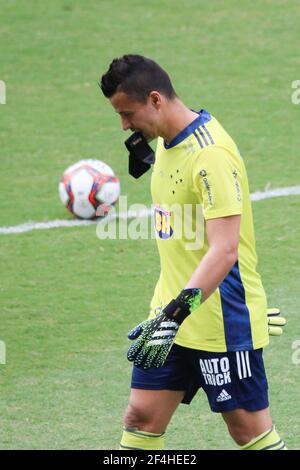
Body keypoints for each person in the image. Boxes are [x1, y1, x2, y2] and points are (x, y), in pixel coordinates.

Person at [100, 54, 287, 450]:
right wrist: (168, 317)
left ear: (155, 100)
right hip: (169, 318)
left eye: (128, 114)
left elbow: (225, 250)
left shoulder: (211, 155)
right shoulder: (168, 141)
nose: (124, 126)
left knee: (249, 432)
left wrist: (183, 315)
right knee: (140, 418)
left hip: (219, 322)